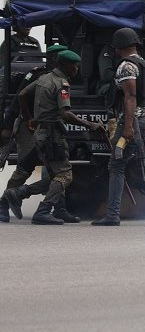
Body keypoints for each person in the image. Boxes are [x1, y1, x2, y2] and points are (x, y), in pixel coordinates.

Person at [2, 50, 103, 225]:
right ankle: (37, 209)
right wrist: (90, 124)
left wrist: (30, 119)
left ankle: (24, 196)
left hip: (41, 132)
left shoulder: (43, 78)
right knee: (63, 175)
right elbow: (65, 113)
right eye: (75, 65)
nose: (77, 69)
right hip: (51, 136)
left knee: (53, 174)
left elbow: (22, 95)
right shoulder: (58, 82)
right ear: (63, 64)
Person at [93, 27, 145, 226]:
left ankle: (113, 215)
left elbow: (130, 97)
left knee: (116, 164)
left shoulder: (126, 67)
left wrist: (128, 126)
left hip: (133, 121)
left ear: (118, 47)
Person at [0, 44, 76, 223]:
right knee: (25, 167)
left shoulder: (60, 78)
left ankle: (59, 207)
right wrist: (13, 124)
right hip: (30, 127)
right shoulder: (36, 74)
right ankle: (3, 204)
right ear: (51, 58)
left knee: (57, 169)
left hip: (47, 128)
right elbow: (19, 99)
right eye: (57, 57)